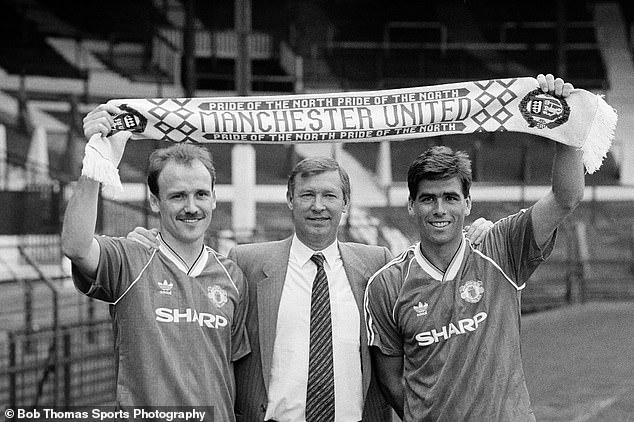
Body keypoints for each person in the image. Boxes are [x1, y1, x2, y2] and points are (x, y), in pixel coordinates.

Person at [129, 157, 493, 421]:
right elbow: (196, 286)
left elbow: (432, 295)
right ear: (290, 200)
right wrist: (156, 244)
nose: (318, 206)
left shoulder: (377, 263)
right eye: (307, 196)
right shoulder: (246, 261)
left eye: (329, 196)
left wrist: (475, 238)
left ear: (346, 204)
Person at [364, 74, 585, 421]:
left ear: (468, 204)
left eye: (451, 198)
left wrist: (563, 128)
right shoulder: (386, 285)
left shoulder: (500, 248)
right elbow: (391, 379)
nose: (440, 209)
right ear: (411, 205)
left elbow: (566, 198)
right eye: (428, 199)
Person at [61, 104, 250, 421]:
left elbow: (234, 368)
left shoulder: (231, 275)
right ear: (154, 201)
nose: (192, 207)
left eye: (201, 194)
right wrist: (97, 162)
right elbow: (76, 246)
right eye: (177, 196)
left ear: (215, 198)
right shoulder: (131, 257)